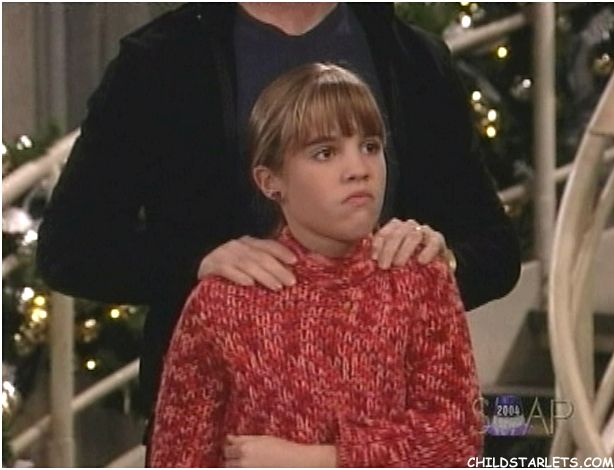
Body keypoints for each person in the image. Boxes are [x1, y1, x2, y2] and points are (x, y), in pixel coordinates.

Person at [36, 3, 521, 419]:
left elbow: (495, 249)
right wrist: (197, 261)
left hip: (387, 426)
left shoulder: (409, 57)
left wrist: (435, 266)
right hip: (218, 423)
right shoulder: (161, 62)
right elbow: (70, 248)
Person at [149, 63, 483, 467]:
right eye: (325, 153)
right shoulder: (223, 304)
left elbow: (457, 441)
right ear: (270, 181)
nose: (358, 170)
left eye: (370, 146)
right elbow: (177, 457)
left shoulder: (419, 277)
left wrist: (322, 460)